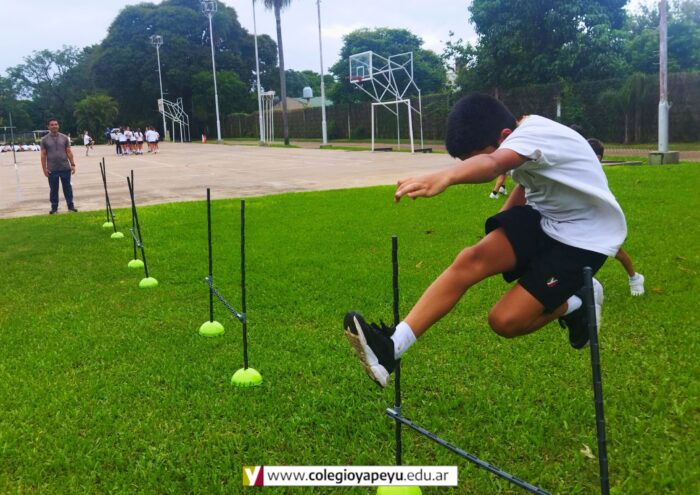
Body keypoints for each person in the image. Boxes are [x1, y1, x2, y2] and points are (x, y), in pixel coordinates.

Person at [344, 94, 627, 388]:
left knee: (504, 320)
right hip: (547, 218)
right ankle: (391, 348)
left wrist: (446, 177)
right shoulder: (520, 136)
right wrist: (502, 228)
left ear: (504, 136)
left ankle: (579, 300)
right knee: (471, 258)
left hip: (585, 237)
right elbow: (525, 181)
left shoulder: (534, 133)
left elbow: (493, 163)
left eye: (475, 158)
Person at [587, 138, 645, 296]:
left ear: (597, 158)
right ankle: (585, 280)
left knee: (614, 250)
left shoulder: (596, 175)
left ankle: (635, 278)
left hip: (599, 217)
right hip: (586, 217)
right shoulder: (582, 170)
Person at [40, 118, 78, 214]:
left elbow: (69, 152)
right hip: (52, 169)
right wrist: (44, 169)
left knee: (67, 188)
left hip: (65, 167)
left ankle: (70, 206)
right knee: (53, 189)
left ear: (58, 126)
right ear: (48, 126)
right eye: (52, 125)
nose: (54, 126)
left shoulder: (64, 138)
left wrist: (73, 164)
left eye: (56, 124)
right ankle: (54, 208)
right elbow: (43, 155)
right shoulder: (44, 139)